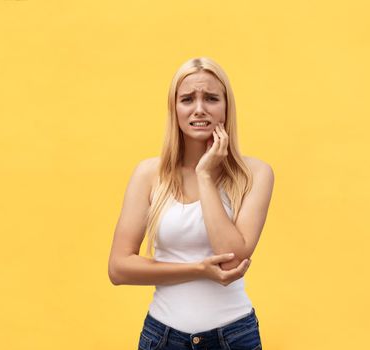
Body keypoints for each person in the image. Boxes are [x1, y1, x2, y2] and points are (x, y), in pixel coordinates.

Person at [108, 57, 274, 350]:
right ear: (175, 109)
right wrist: (198, 269)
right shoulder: (149, 174)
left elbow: (232, 257)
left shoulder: (255, 174)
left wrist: (205, 176)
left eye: (211, 98)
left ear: (226, 106)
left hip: (234, 338)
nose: (199, 108)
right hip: (163, 337)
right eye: (187, 99)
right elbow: (119, 268)